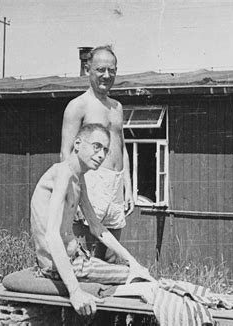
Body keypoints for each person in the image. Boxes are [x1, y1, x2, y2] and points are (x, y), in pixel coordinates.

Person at [31, 123, 153, 316]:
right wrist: (75, 291)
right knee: (138, 279)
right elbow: (52, 236)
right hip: (59, 266)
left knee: (136, 271)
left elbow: (97, 227)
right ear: (78, 143)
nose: (101, 155)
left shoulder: (78, 178)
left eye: (105, 150)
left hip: (78, 260)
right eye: (97, 147)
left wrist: (132, 260)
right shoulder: (62, 173)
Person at [60, 45, 134, 262]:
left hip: (115, 187)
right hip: (89, 183)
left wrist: (128, 187)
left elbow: (122, 147)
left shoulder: (117, 107)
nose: (107, 75)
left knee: (112, 256)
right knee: (86, 258)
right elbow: (66, 153)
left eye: (112, 70)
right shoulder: (77, 106)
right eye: (101, 69)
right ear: (87, 69)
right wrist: (75, 194)